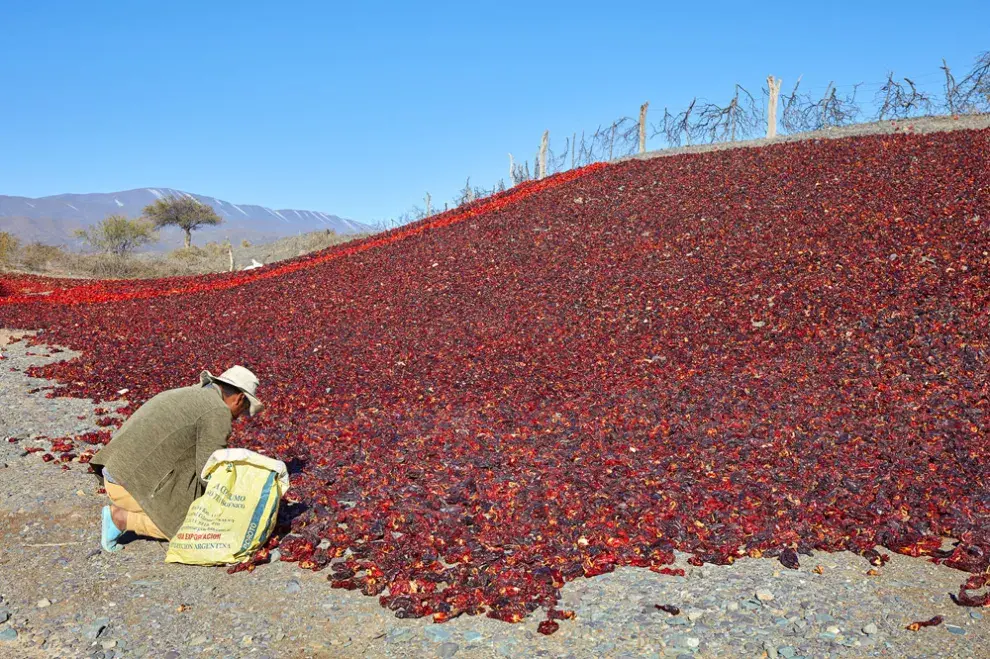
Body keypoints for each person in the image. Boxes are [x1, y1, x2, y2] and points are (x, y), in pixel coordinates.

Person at [90, 366, 265, 552]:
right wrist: (236, 501)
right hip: (127, 486)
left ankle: (133, 509)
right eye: (244, 409)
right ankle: (120, 519)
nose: (239, 417)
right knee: (193, 530)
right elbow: (209, 471)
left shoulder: (189, 393)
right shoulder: (218, 411)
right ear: (239, 399)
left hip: (114, 471)